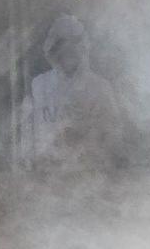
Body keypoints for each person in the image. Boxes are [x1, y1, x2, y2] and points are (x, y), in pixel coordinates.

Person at [22, 15, 123, 172]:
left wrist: (86, 144)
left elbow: (112, 135)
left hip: (90, 175)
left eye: (74, 44)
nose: (68, 51)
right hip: (45, 174)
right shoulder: (39, 85)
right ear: (53, 49)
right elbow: (28, 130)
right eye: (61, 44)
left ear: (83, 48)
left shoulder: (100, 88)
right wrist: (30, 159)